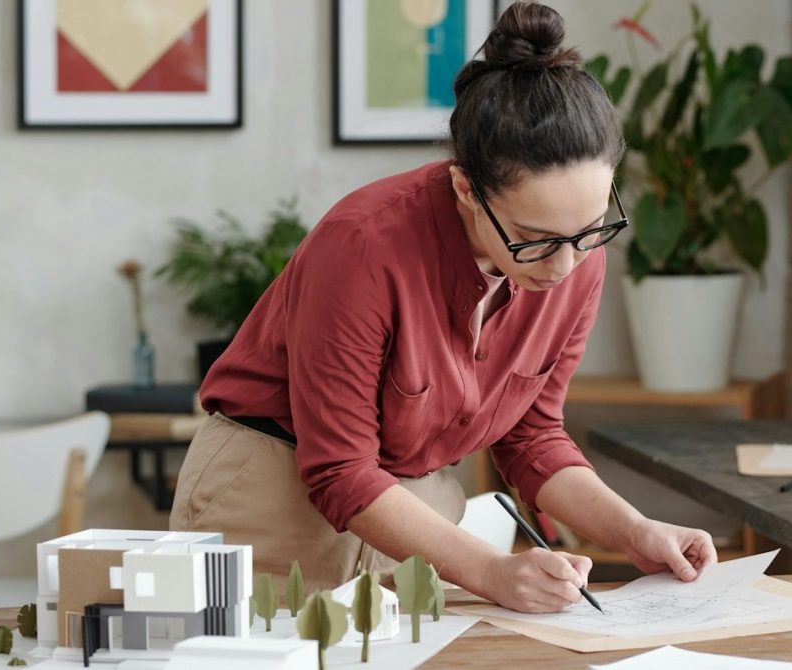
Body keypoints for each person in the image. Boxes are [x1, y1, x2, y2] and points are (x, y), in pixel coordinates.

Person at [171, 1, 717, 613]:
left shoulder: (576, 255)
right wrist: (494, 572)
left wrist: (637, 531)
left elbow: (533, 438)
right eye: (534, 239)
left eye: (590, 230)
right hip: (270, 497)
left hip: (419, 517)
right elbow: (341, 468)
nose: (565, 266)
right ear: (464, 187)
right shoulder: (362, 246)